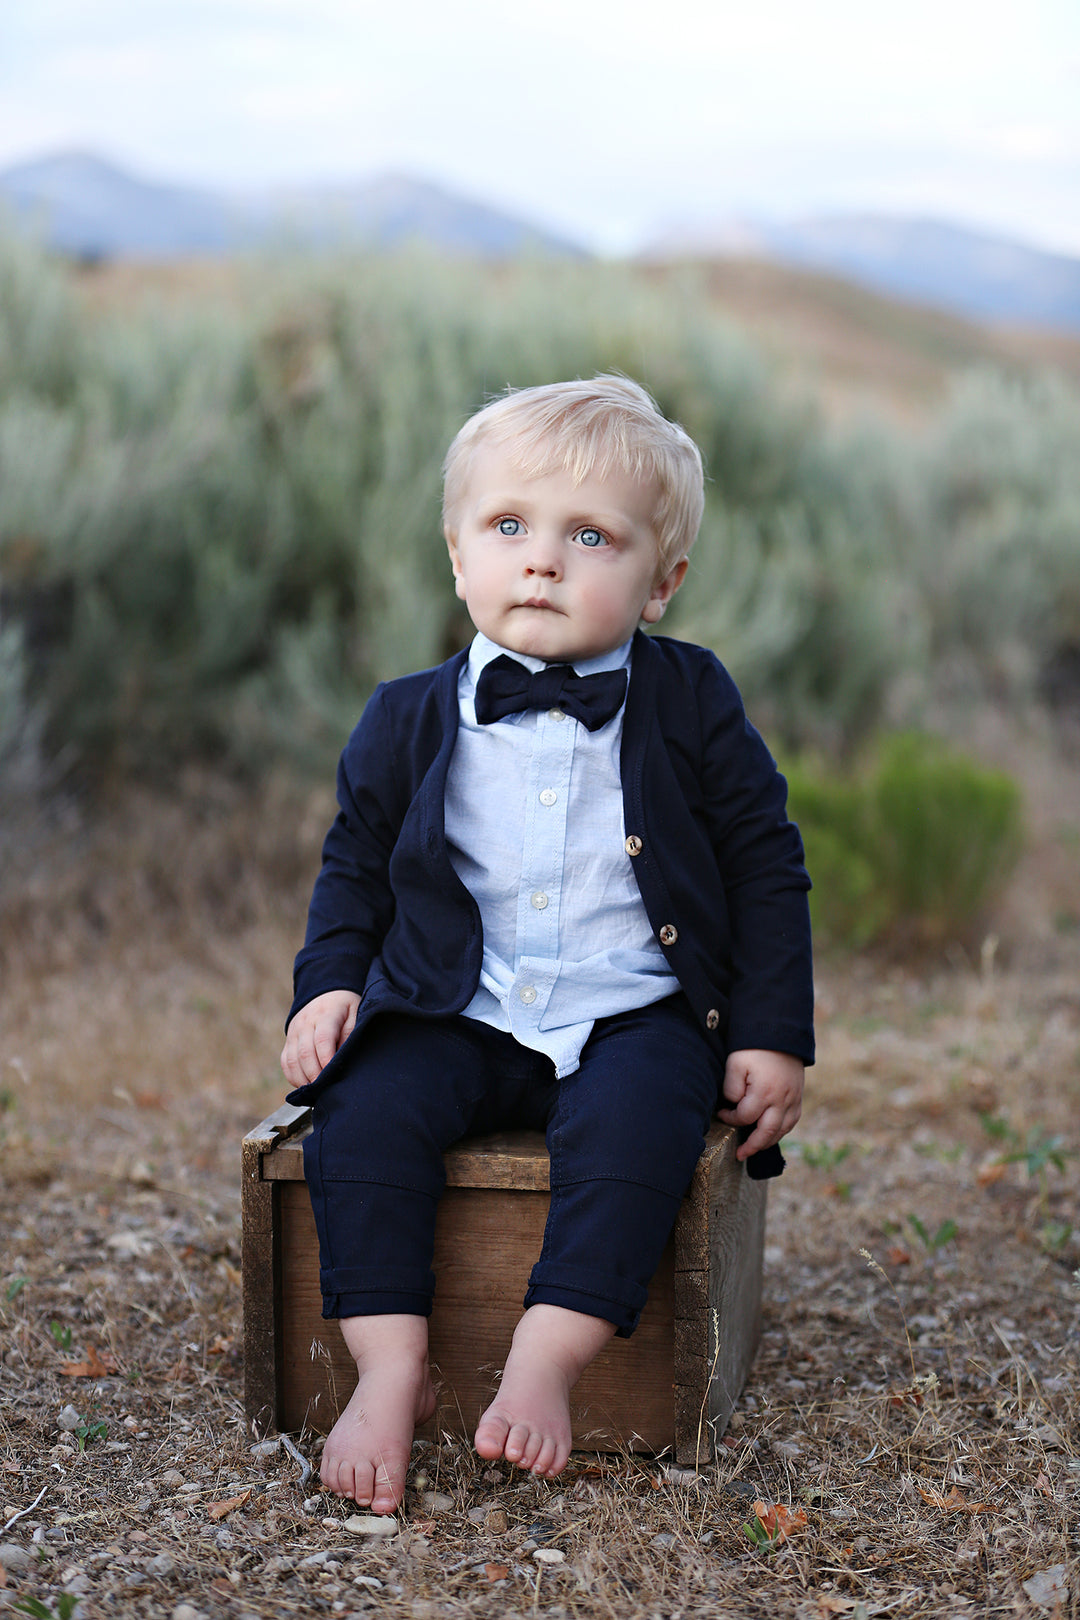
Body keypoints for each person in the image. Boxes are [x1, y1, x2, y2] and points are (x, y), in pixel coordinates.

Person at [280, 375, 813, 1516]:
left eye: (591, 536)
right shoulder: (403, 716)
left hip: (633, 1008)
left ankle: (550, 1355)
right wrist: (326, 987)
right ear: (456, 552)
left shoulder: (694, 700)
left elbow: (767, 862)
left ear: (663, 581)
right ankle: (389, 1365)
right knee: (360, 1117)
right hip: (454, 1006)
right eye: (509, 526)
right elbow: (357, 868)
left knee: (641, 1132)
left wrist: (773, 1034)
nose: (543, 561)